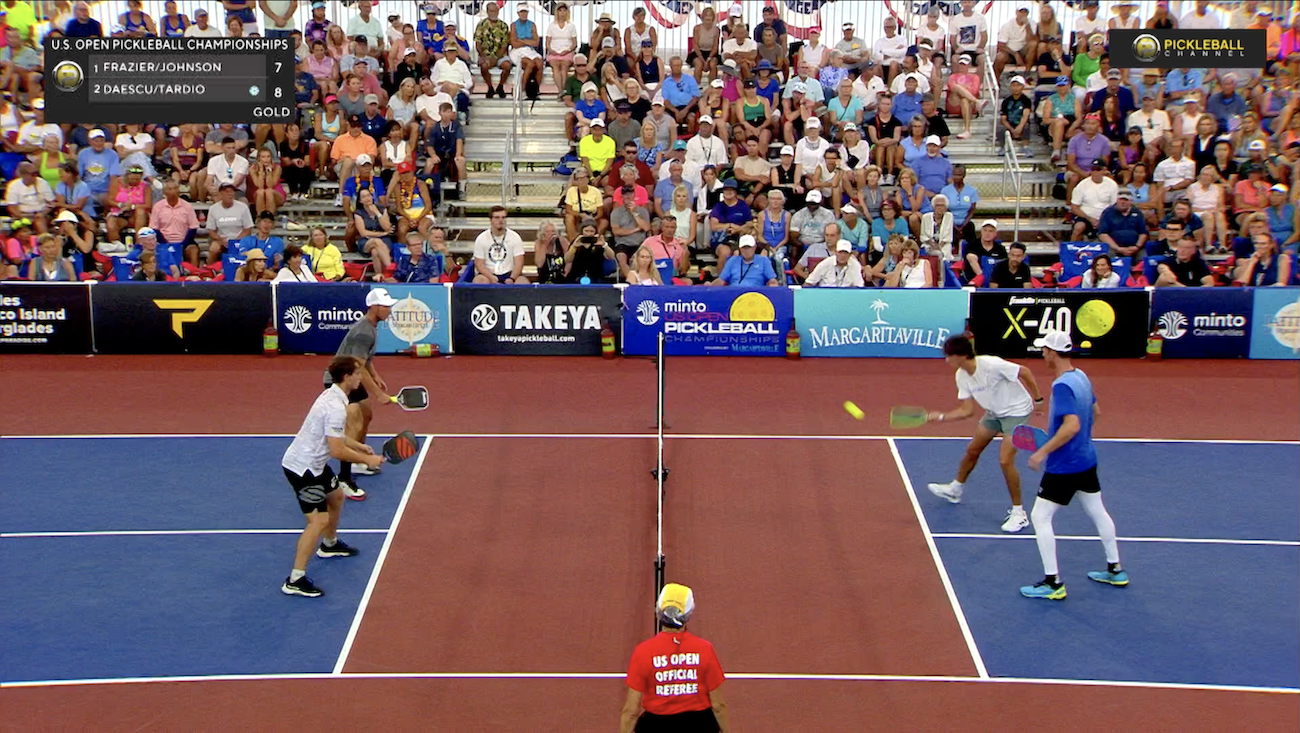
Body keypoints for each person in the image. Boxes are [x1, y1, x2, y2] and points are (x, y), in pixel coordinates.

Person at [1021, 330, 1126, 601]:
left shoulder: (1061, 386)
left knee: (1040, 517)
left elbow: (1072, 425)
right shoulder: (1081, 377)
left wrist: (1041, 452)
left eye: (1044, 349)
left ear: (1053, 353)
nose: (1042, 353)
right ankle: (1115, 569)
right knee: (1097, 510)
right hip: (1086, 458)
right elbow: (1095, 413)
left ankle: (1052, 582)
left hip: (1064, 466)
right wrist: (1079, 442)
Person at [280, 356, 384, 598]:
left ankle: (329, 544)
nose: (361, 377)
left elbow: (335, 438)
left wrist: (358, 446)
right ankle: (295, 579)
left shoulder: (334, 396)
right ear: (347, 377)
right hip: (302, 468)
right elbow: (336, 451)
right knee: (317, 521)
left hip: (315, 463)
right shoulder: (336, 407)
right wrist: (367, 460)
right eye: (358, 374)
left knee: (336, 496)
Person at [926, 335, 1045, 534]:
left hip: (1016, 412)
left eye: (949, 356)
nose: (946, 360)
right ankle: (955, 489)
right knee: (973, 450)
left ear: (961, 355)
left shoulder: (992, 365)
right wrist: (941, 417)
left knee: (1005, 461)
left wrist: (1038, 399)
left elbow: (1024, 372)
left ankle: (1019, 514)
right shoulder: (961, 375)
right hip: (994, 413)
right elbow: (967, 410)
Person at [619, 583, 728, 732]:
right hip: (699, 725)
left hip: (657, 725)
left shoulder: (642, 652)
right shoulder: (704, 649)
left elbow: (631, 711)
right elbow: (718, 705)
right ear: (688, 613)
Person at [326, 288, 396, 501]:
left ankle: (356, 462)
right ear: (374, 307)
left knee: (366, 414)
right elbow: (358, 364)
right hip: (340, 381)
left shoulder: (371, 327)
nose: (389, 309)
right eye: (385, 306)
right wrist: (378, 394)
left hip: (353, 378)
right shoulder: (364, 331)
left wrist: (375, 376)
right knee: (353, 422)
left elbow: (365, 360)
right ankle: (344, 479)